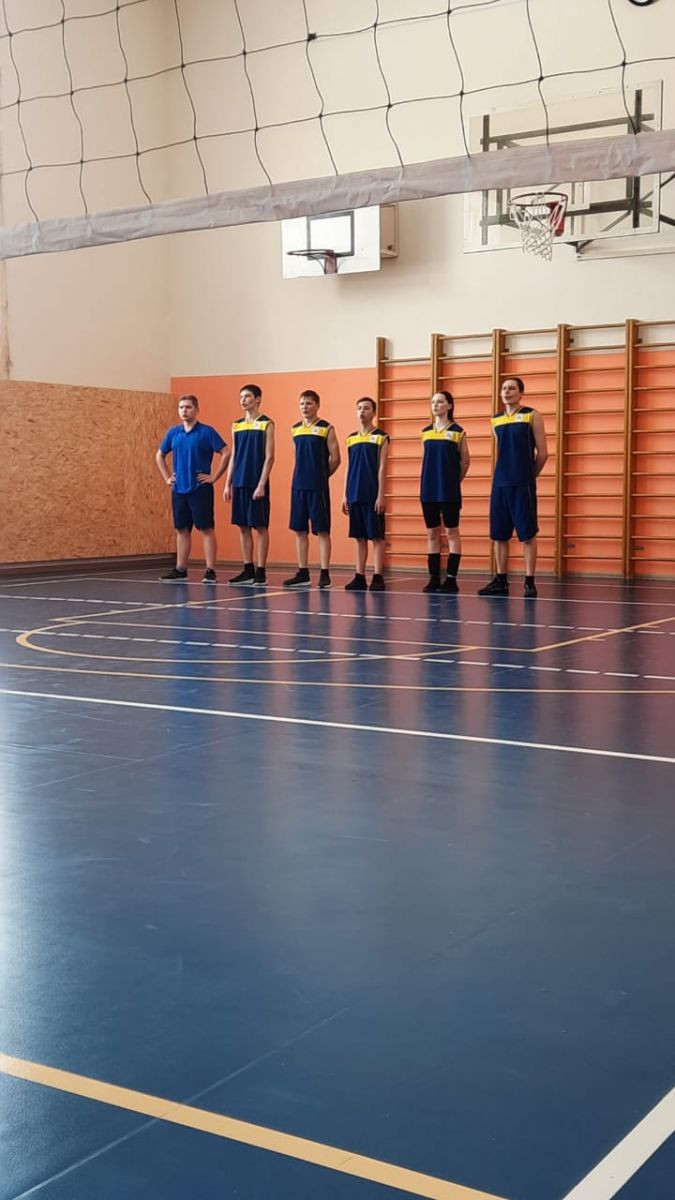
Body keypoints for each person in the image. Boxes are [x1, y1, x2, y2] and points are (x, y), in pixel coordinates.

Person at [478, 377, 548, 598]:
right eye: (504, 389)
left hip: (522, 483)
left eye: (511, 388)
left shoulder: (532, 415)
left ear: (521, 393)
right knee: (499, 535)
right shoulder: (495, 420)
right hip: (500, 483)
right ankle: (501, 581)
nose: (507, 392)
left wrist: (529, 476)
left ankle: (529, 581)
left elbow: (543, 453)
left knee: (528, 534)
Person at [155, 394, 229, 583]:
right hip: (179, 489)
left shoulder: (207, 432)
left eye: (188, 407)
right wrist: (167, 478)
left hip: (200, 489)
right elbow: (159, 455)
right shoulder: (173, 433)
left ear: (196, 410)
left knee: (206, 528)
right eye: (181, 407)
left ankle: (210, 570)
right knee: (181, 529)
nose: (184, 411)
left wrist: (214, 477)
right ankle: (180, 569)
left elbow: (226, 452)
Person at [284, 390, 340, 588]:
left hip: (318, 487)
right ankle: (303, 572)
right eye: (302, 404)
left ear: (317, 405)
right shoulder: (295, 429)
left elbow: (336, 459)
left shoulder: (326, 428)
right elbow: (296, 457)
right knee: (300, 530)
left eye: (308, 403)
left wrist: (322, 476)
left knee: (322, 530)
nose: (305, 407)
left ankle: (324, 573)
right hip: (298, 486)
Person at [224, 384, 275, 586]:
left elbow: (270, 457)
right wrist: (227, 483)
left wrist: (261, 484)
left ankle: (261, 570)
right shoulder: (236, 425)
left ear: (258, 399)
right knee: (243, 527)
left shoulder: (266, 424)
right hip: (239, 482)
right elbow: (234, 455)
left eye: (247, 396)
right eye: (241, 397)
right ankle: (248, 569)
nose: (243, 400)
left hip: (256, 483)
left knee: (260, 526)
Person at [420, 390, 470, 593]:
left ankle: (451, 579)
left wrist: (453, 482)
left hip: (449, 491)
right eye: (433, 402)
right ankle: (433, 578)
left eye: (440, 402)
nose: (435, 405)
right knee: (432, 533)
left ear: (449, 405)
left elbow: (465, 461)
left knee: (451, 532)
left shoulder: (458, 431)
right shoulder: (425, 432)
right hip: (428, 490)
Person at [342, 397, 389, 592]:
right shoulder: (351, 438)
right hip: (355, 493)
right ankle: (359, 576)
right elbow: (348, 467)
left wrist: (381, 495)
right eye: (359, 408)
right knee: (359, 537)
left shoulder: (381, 437)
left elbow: (382, 468)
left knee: (376, 536)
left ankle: (377, 576)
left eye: (366, 408)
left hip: (372, 494)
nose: (362, 411)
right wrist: (345, 495)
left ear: (374, 413)